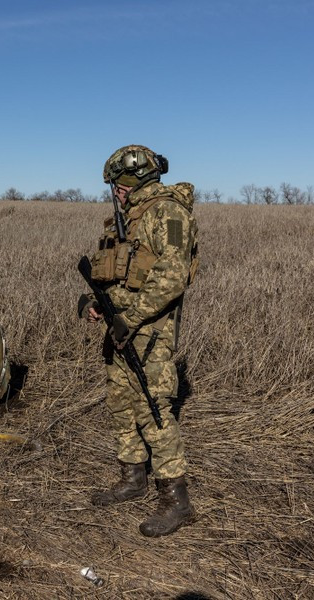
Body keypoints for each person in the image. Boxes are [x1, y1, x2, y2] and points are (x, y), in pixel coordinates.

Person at [81, 144, 198, 537]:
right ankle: (133, 478)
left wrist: (128, 318)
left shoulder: (168, 213)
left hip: (150, 332)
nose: (114, 190)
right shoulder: (124, 221)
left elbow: (171, 277)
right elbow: (112, 275)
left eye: (118, 183)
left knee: (154, 408)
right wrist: (95, 305)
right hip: (119, 330)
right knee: (120, 402)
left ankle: (176, 499)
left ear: (133, 181)